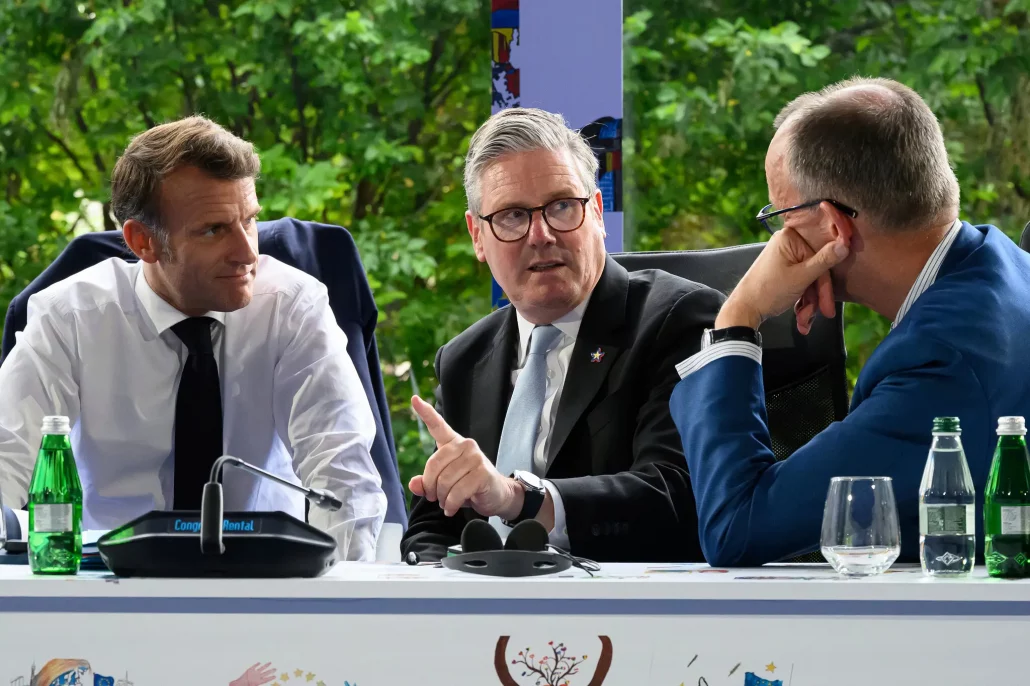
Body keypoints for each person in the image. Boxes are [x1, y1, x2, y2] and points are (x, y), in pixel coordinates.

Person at [670, 77, 1030, 566]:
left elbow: (736, 525)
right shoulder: (1006, 267)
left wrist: (739, 316)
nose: (779, 239)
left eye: (781, 216)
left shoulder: (939, 361)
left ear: (835, 225)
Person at [0, 116, 385, 560]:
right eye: (214, 230)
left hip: (267, 576)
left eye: (250, 221)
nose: (247, 253)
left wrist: (335, 593)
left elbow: (343, 477)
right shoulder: (70, 318)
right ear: (143, 242)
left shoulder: (293, 308)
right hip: (113, 579)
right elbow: (7, 457)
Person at [401, 107, 723, 562]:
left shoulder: (678, 319)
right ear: (477, 236)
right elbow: (430, 529)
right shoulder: (464, 360)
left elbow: (675, 492)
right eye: (512, 216)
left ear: (598, 213)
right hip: (488, 605)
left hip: (624, 601)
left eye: (562, 206)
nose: (541, 234)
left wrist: (520, 498)